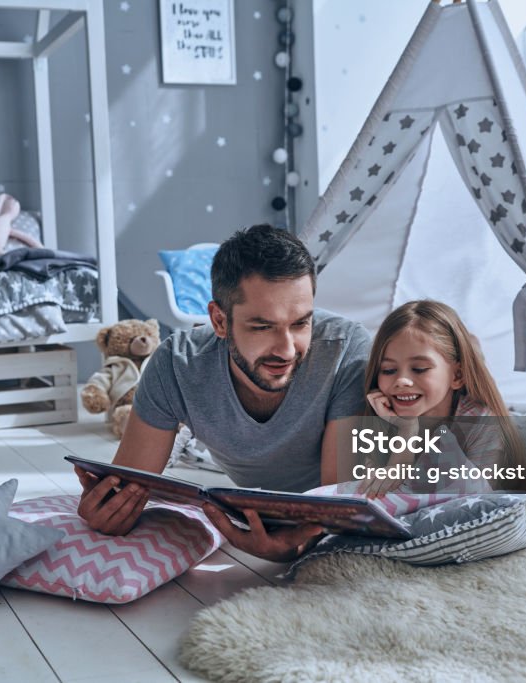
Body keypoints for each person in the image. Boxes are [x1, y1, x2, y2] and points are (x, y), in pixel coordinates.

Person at [76, 225, 371, 560]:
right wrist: (109, 511)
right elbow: (129, 484)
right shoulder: (177, 365)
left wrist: (295, 547)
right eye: (262, 327)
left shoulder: (347, 353)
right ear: (218, 320)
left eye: (301, 323)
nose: (287, 350)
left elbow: (338, 509)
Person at [354, 299, 524, 497]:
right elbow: (373, 497)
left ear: (457, 376)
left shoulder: (481, 422)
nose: (401, 381)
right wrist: (405, 437)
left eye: (419, 369)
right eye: (389, 370)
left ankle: (474, 351)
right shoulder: (377, 420)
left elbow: (475, 500)